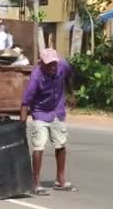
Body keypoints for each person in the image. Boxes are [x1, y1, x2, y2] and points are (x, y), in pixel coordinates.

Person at [20, 48, 78, 196]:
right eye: (49, 65)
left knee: (61, 143)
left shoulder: (62, 66)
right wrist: (22, 120)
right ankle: (36, 182)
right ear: (42, 64)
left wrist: (71, 93)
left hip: (57, 110)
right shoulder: (36, 76)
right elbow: (26, 101)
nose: (52, 67)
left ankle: (60, 179)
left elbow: (70, 75)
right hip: (40, 112)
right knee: (39, 145)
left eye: (54, 64)